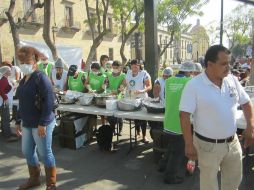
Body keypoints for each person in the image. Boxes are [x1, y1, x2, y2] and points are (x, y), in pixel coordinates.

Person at [179, 45, 254, 190]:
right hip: (207, 146)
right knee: (209, 186)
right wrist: (188, 143)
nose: (228, 67)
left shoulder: (232, 80)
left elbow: (246, 103)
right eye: (224, 64)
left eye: (229, 63)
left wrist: (250, 127)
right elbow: (184, 115)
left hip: (233, 144)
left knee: (233, 183)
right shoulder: (194, 85)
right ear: (210, 65)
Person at [15, 46, 57, 190]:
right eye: (21, 61)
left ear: (34, 61)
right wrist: (18, 120)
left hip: (41, 123)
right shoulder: (23, 80)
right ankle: (34, 178)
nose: (23, 64)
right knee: (27, 151)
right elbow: (21, 101)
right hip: (27, 123)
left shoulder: (41, 77)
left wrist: (43, 123)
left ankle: (51, 184)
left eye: (26, 61)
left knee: (45, 154)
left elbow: (49, 102)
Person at [159, 61, 195, 184]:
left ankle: (162, 166)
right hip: (180, 123)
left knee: (171, 147)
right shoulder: (189, 82)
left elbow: (164, 97)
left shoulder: (168, 81)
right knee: (177, 153)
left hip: (168, 121)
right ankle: (170, 177)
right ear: (189, 72)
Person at [125, 59, 152, 143]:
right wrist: (122, 87)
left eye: (136, 66)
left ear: (139, 66)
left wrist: (142, 91)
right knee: (135, 118)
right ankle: (138, 133)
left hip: (142, 99)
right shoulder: (128, 72)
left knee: (143, 119)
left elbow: (149, 86)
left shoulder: (144, 74)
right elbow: (124, 82)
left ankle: (144, 136)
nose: (134, 68)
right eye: (132, 66)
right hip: (132, 98)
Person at [106, 60, 126, 136]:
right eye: (113, 67)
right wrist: (105, 85)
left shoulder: (123, 75)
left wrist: (117, 91)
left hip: (119, 96)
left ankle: (120, 130)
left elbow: (123, 86)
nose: (114, 69)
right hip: (110, 97)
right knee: (110, 116)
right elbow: (106, 84)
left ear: (120, 68)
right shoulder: (109, 74)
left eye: (116, 68)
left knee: (119, 115)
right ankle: (112, 129)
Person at [0, 66, 19, 142]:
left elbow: (6, 88)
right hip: (4, 102)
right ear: (6, 72)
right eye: (9, 70)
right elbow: (1, 90)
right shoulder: (3, 79)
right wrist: (5, 98)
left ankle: (6, 133)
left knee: (5, 118)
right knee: (6, 118)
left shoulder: (4, 79)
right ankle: (8, 136)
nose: (11, 71)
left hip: (3, 101)